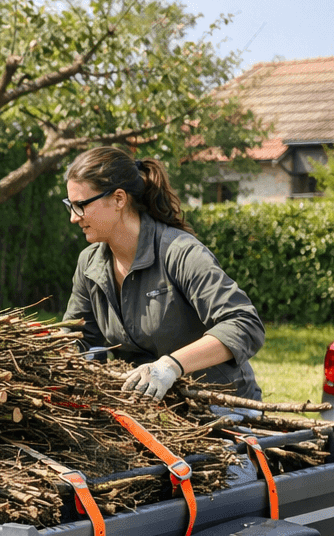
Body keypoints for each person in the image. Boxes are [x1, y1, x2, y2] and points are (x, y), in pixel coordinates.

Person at [61, 147, 264, 401]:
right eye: (71, 205)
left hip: (221, 408)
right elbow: (80, 341)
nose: (73, 217)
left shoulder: (179, 252)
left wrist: (171, 365)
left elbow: (245, 324)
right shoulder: (89, 264)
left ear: (119, 199)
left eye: (81, 205)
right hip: (151, 411)